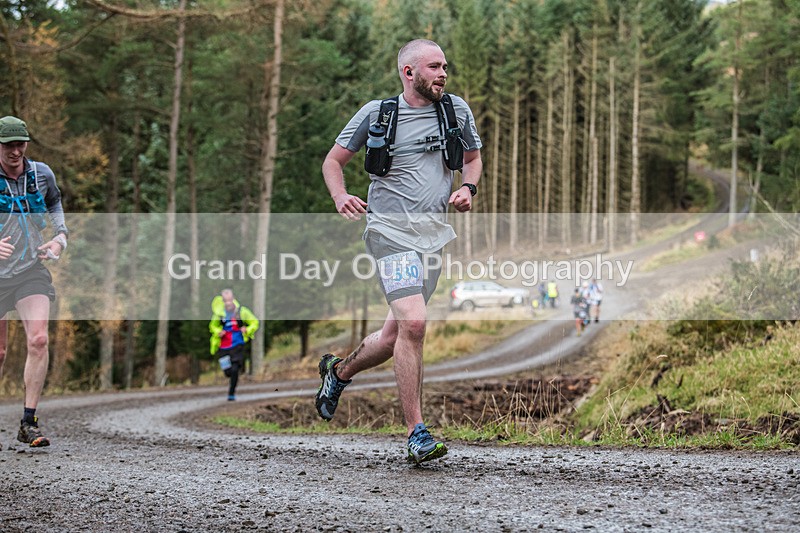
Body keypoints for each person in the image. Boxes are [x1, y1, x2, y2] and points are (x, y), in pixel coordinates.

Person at [316, 39, 482, 464]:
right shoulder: (378, 114)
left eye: (445, 66)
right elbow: (333, 162)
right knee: (415, 322)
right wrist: (340, 196)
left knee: (395, 336)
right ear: (409, 73)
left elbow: (472, 158)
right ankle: (416, 433)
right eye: (434, 67)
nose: (443, 74)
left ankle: (338, 372)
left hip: (433, 236)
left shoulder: (456, 110)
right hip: (388, 233)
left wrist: (468, 187)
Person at [0, 116, 69, 448]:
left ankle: (28, 422)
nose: (15, 151)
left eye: (20, 144)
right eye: (8, 145)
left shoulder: (41, 174)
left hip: (30, 269)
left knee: (39, 340)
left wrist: (60, 238)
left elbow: (55, 202)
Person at [209, 289, 259, 401]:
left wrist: (247, 329)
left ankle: (231, 393)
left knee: (235, 369)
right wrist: (218, 331)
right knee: (228, 372)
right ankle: (231, 379)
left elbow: (254, 322)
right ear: (222, 301)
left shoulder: (241, 311)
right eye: (225, 301)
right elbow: (212, 326)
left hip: (237, 344)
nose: (228, 303)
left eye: (229, 300)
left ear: (233, 299)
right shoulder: (219, 314)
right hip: (223, 346)